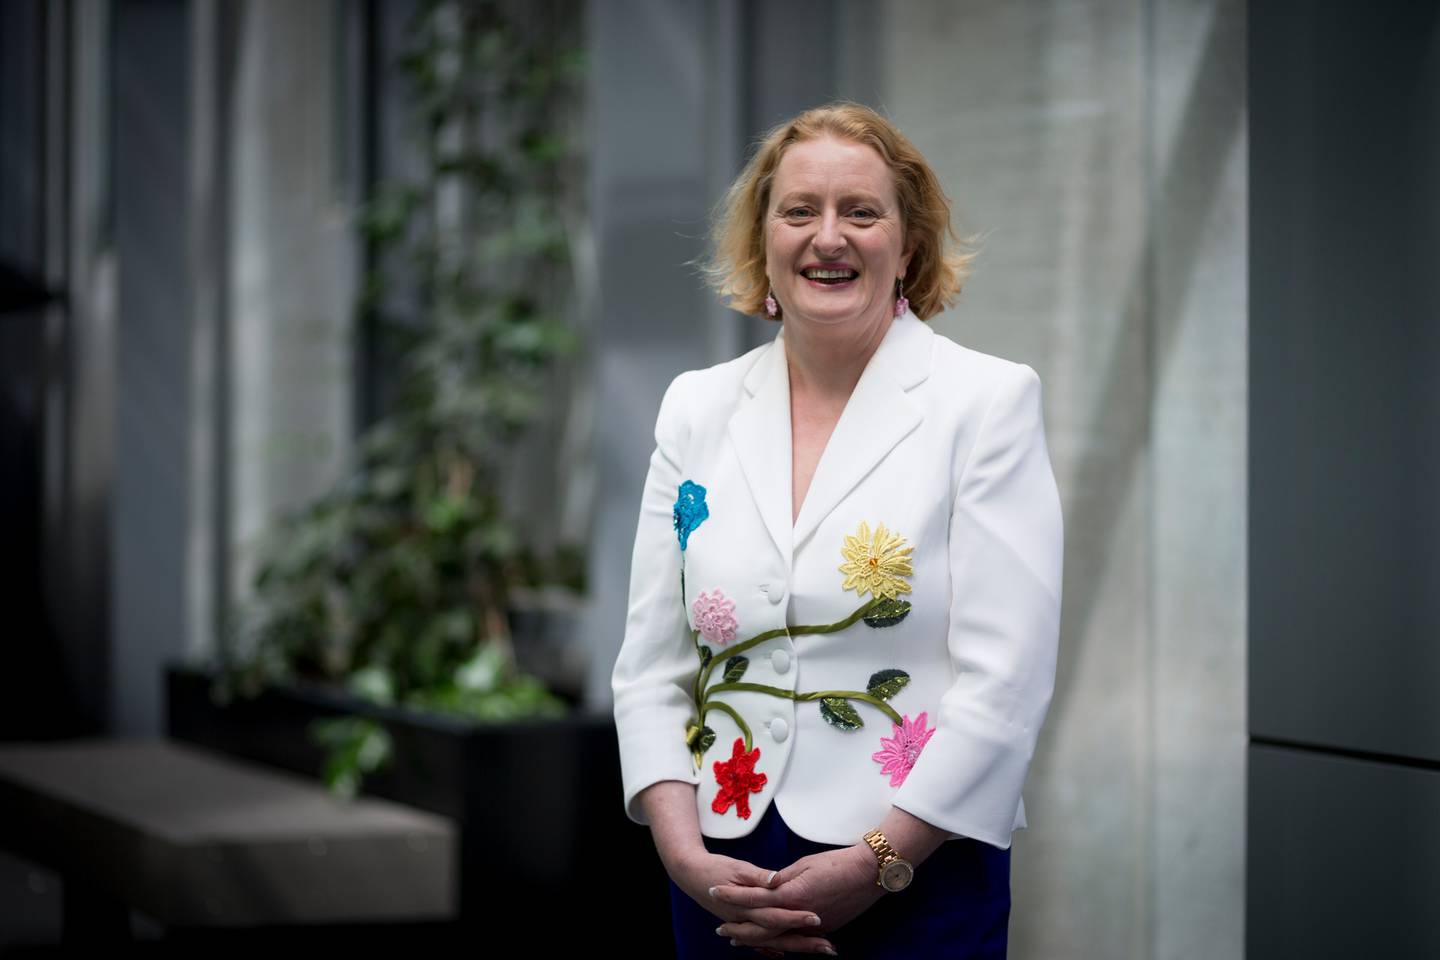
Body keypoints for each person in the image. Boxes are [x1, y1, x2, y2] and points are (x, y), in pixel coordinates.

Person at [610, 101, 1063, 958]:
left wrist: (878, 861)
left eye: (861, 211)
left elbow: (1005, 683)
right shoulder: (694, 408)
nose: (829, 237)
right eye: (799, 211)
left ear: (910, 243)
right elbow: (649, 670)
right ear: (763, 241)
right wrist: (683, 857)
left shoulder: (986, 405)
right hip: (721, 876)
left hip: (916, 872)